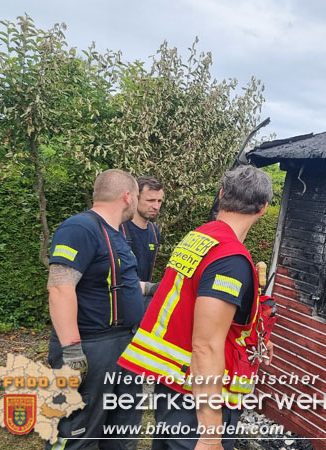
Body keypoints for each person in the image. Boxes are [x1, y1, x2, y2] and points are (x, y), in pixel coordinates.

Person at [118, 165, 275, 450]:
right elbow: (206, 346)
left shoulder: (199, 237)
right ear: (263, 208)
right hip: (197, 399)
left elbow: (190, 303)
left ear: (221, 195)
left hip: (175, 384)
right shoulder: (230, 259)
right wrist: (211, 434)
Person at [46, 169, 145, 450]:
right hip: (91, 347)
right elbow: (60, 288)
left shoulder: (116, 234)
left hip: (123, 345)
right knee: (78, 430)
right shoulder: (79, 228)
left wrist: (153, 288)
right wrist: (72, 351)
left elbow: (116, 282)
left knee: (121, 427)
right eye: (138, 196)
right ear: (128, 197)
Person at [122, 176, 164, 307]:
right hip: (119, 301)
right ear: (135, 198)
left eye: (159, 201)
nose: (156, 206)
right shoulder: (119, 228)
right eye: (150, 200)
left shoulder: (154, 231)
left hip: (141, 302)